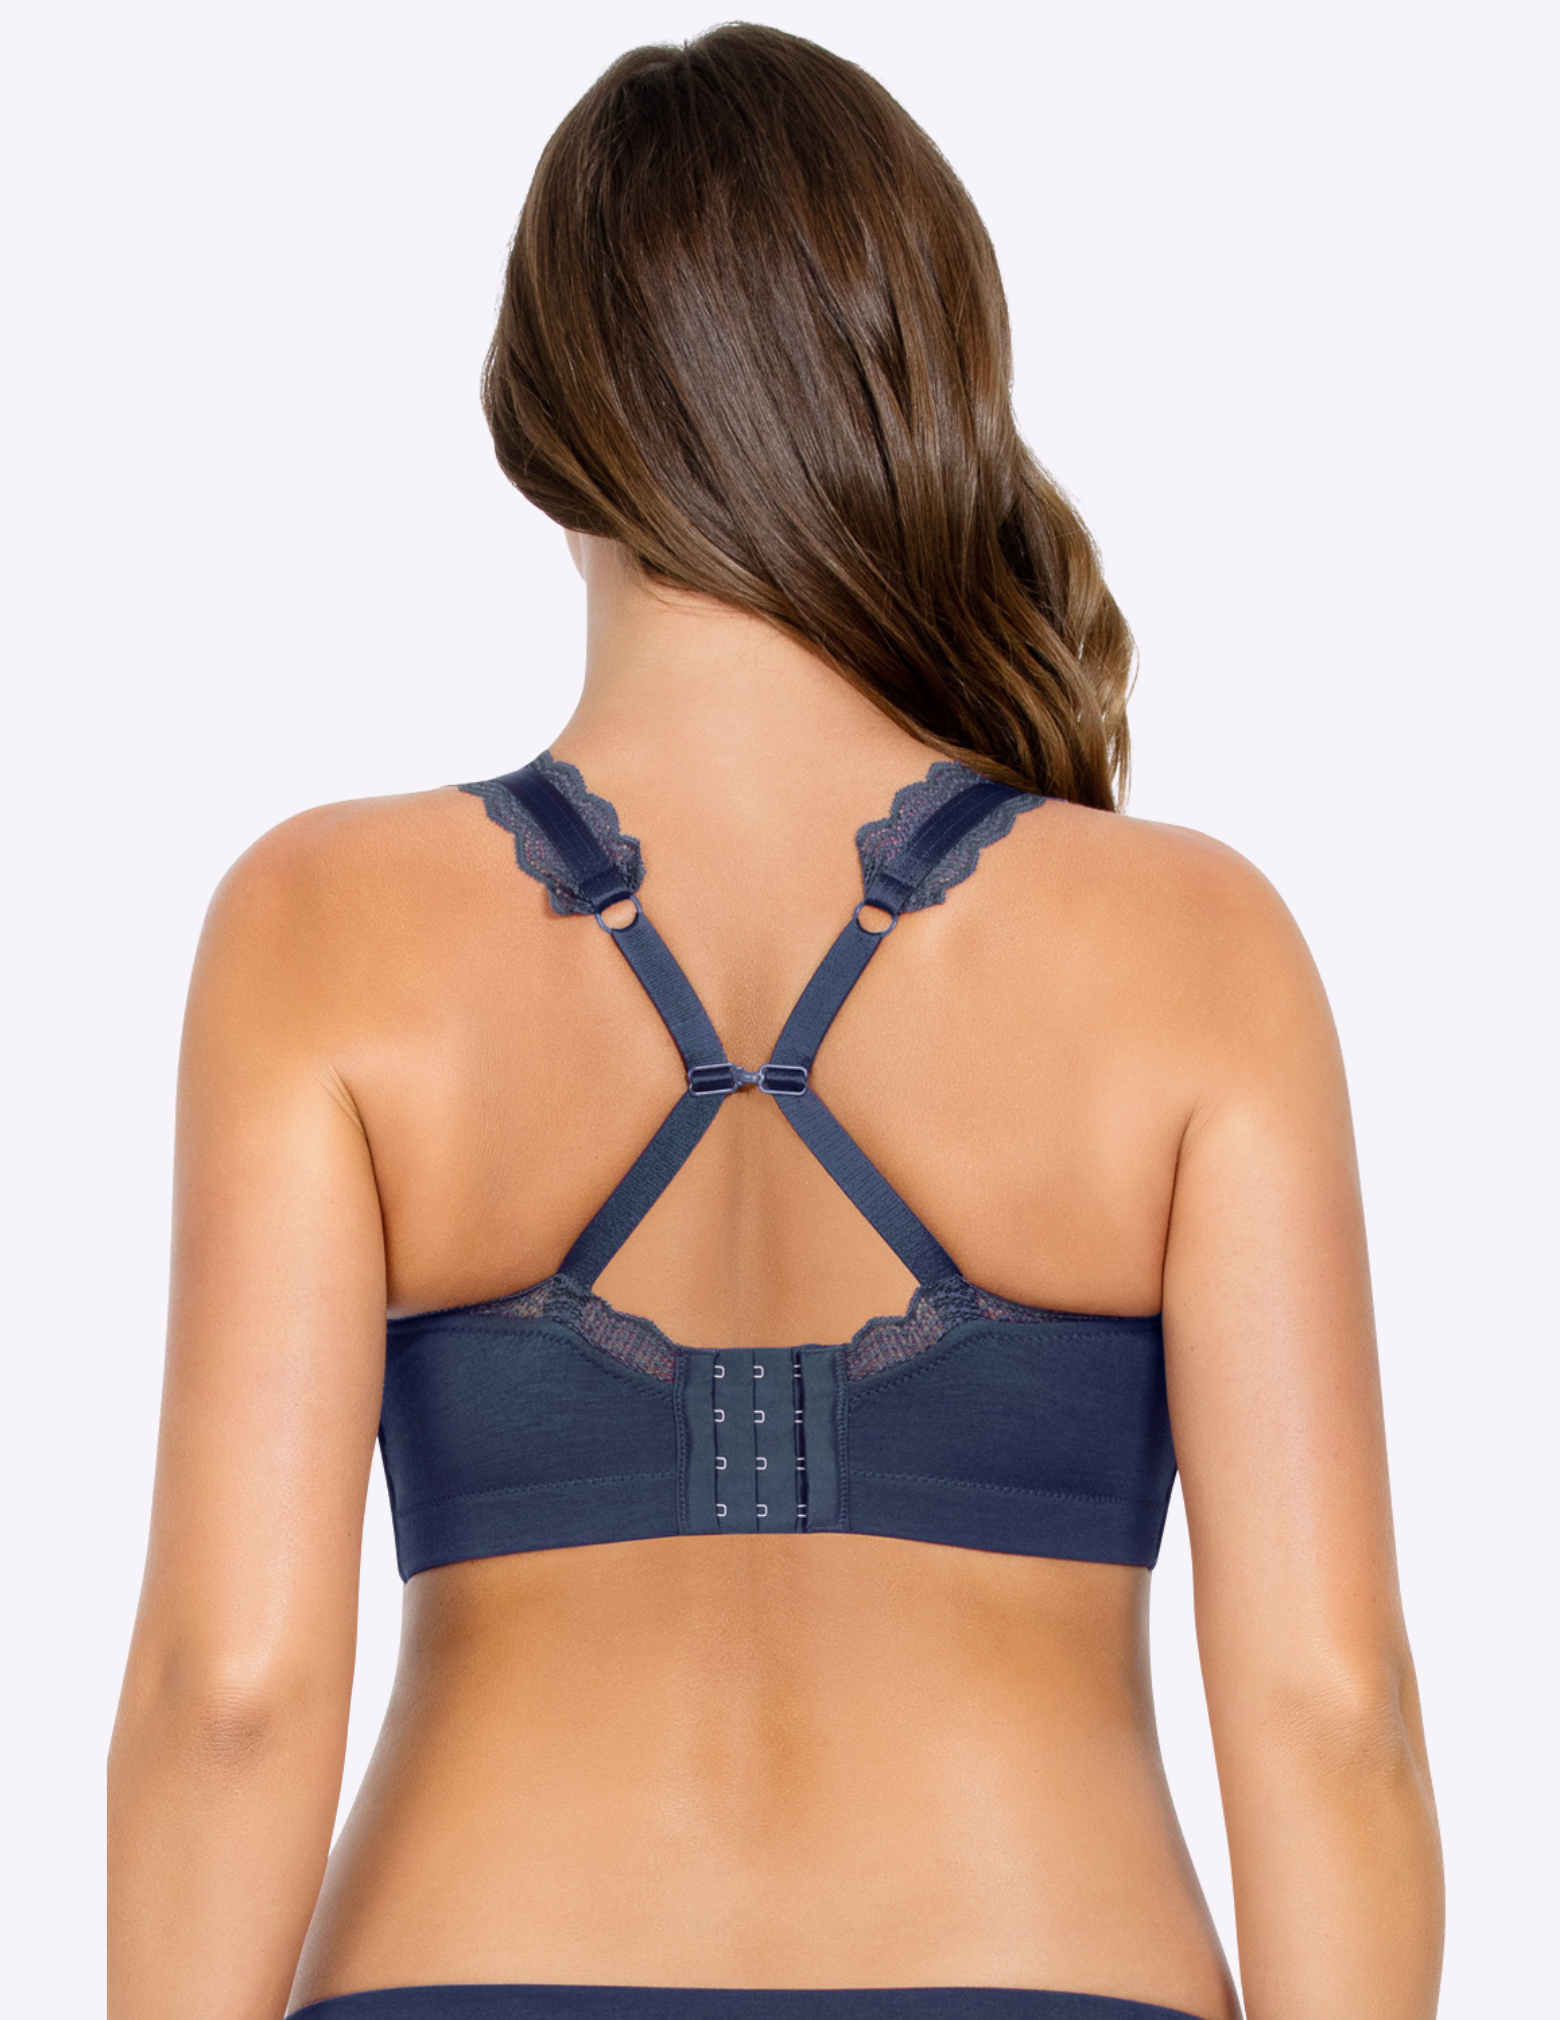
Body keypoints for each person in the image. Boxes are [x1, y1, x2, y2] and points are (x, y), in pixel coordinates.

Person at [107, 26, 1442, 2020]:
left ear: (540, 430)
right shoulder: (1196, 948)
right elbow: (1334, 1713)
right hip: (1044, 1965)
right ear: (929, 391)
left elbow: (229, 1694)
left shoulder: (321, 927)